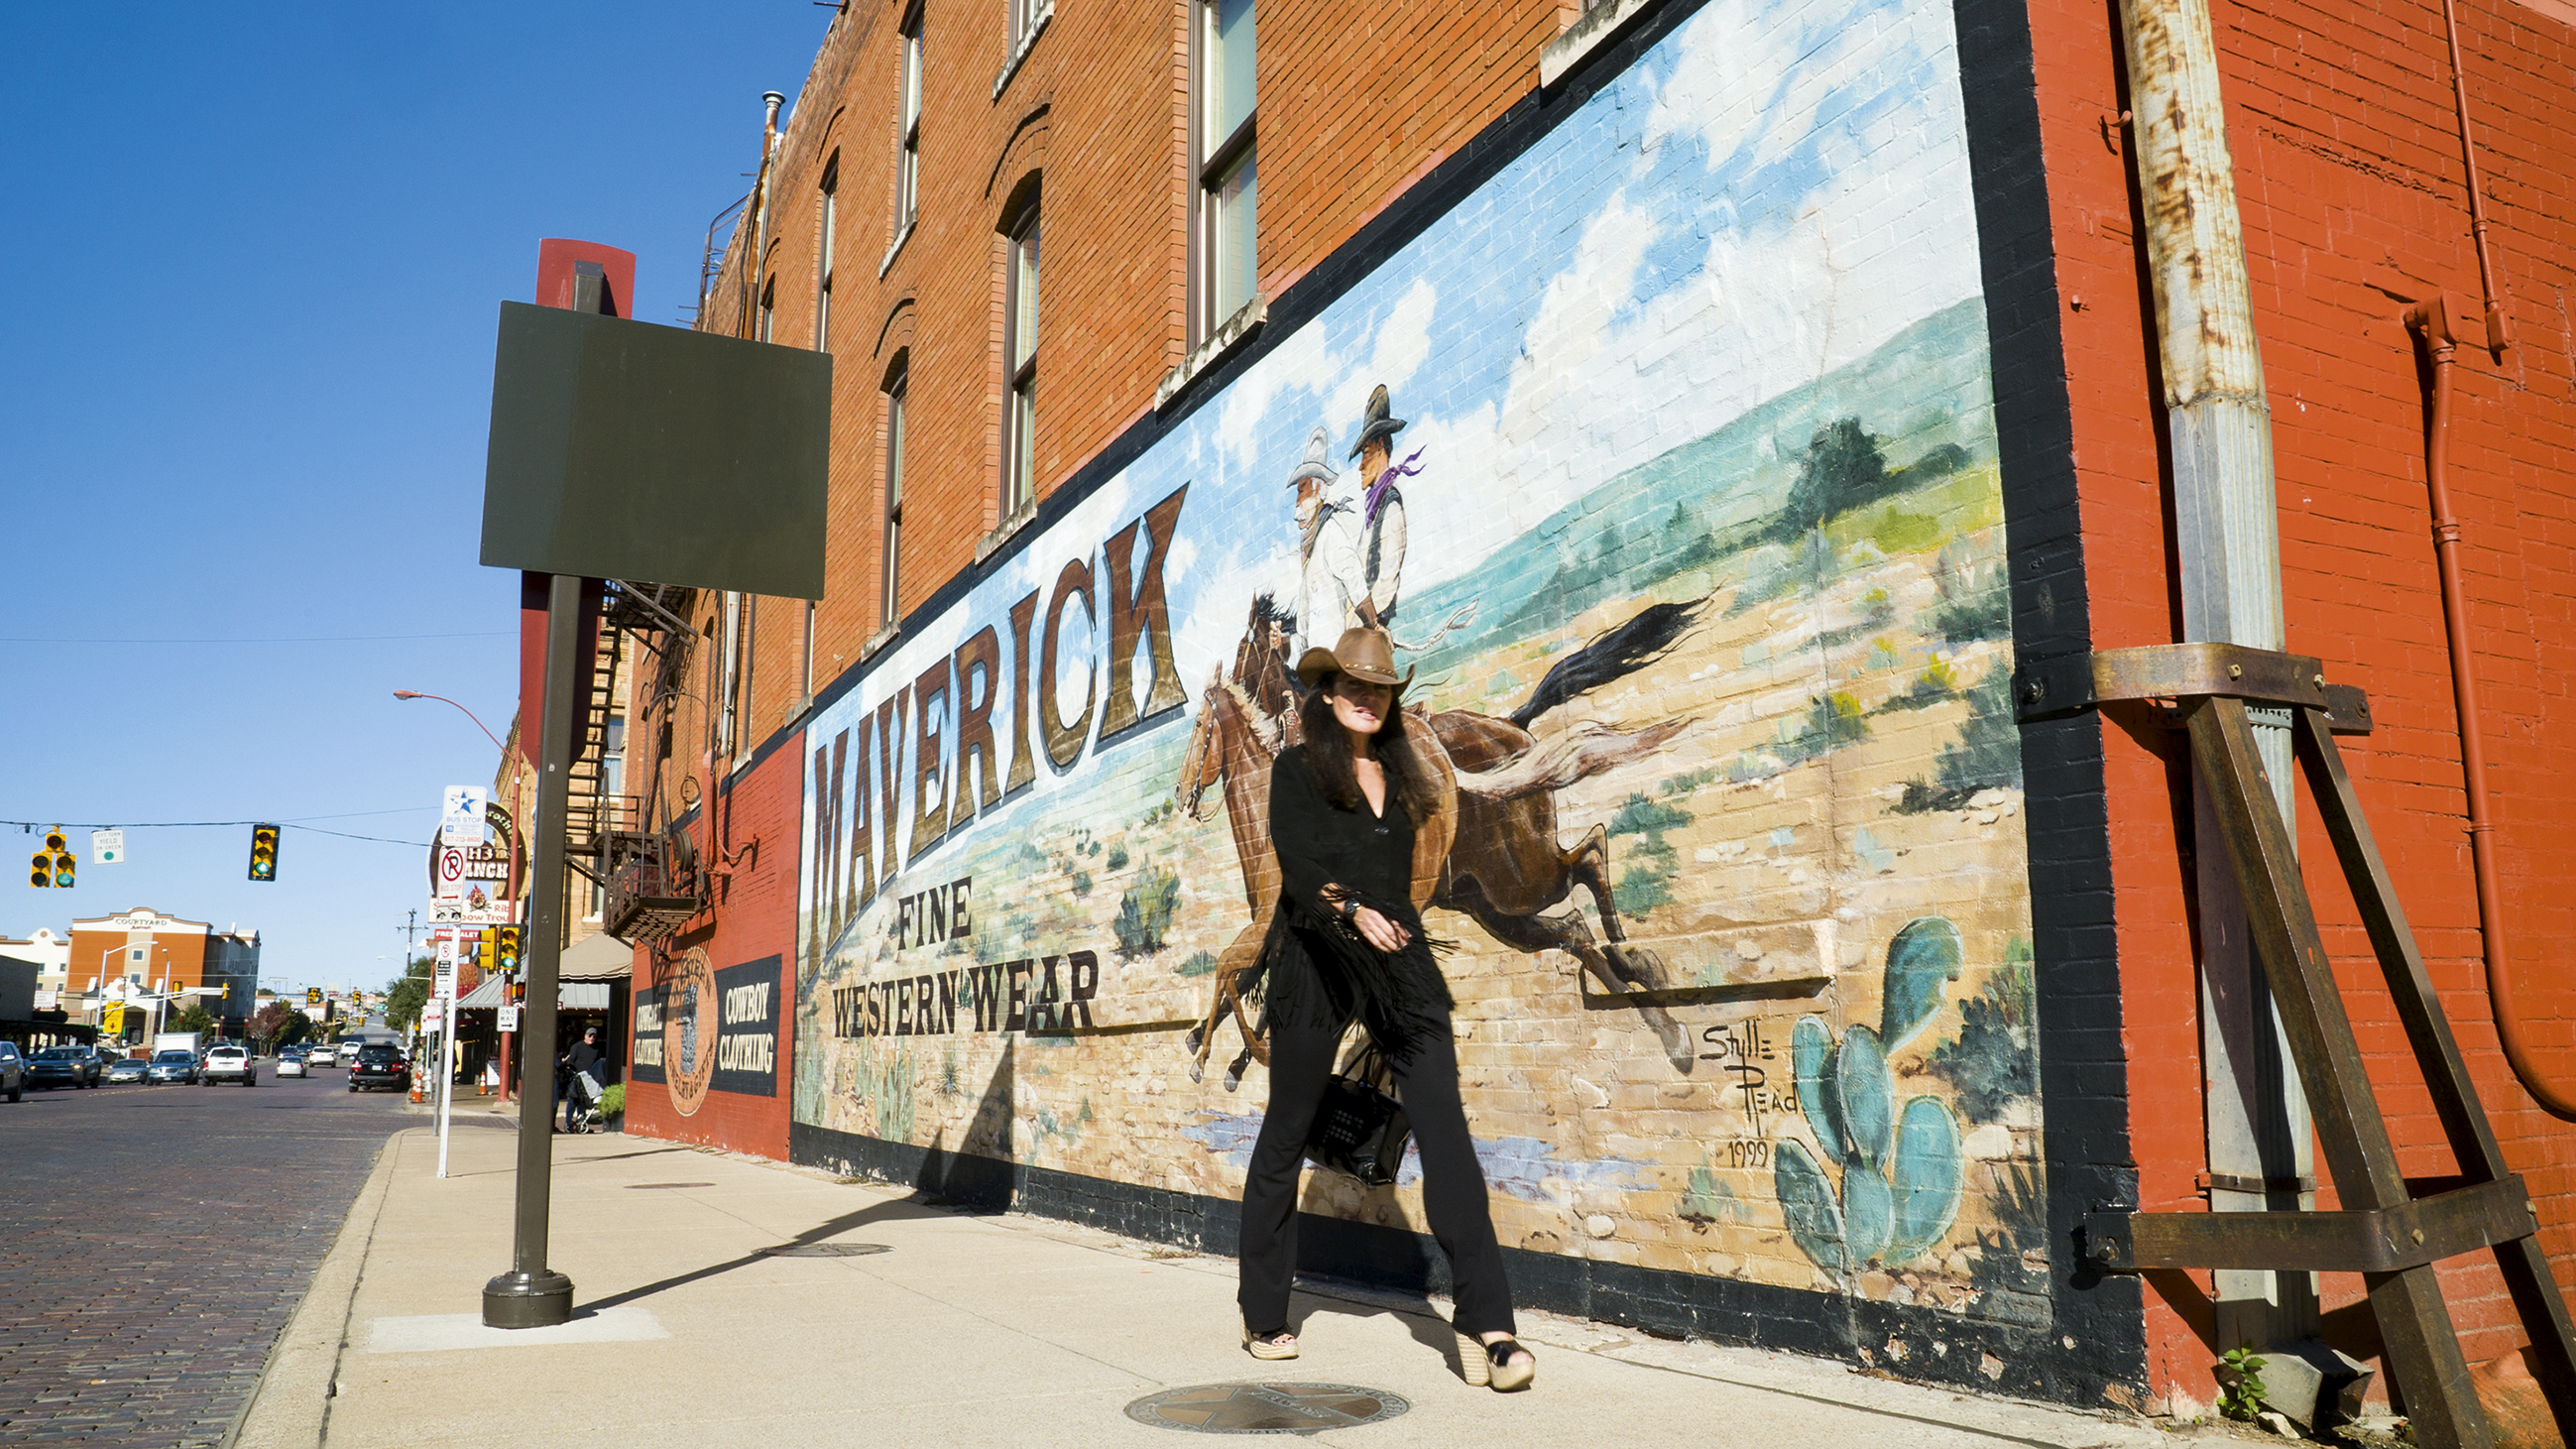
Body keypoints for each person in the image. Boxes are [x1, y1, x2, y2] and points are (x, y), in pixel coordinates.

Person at [1233, 626, 1536, 1392]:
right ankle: (1263, 1309)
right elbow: (1296, 858)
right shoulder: (1298, 769)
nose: (1367, 697)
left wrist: (1387, 916)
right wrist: (1349, 905)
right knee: (1288, 1128)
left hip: (1396, 956)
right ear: (1330, 693)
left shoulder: (1403, 778)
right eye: (1354, 685)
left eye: (1380, 688)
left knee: (1445, 1126)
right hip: (1316, 955)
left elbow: (1405, 876)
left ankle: (1488, 1324)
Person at [559, 1026, 605, 1133]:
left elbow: (598, 1063)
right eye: (590, 1035)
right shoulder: (577, 1047)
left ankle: (581, 1121)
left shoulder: (596, 1049)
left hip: (589, 1079)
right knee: (573, 1100)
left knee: (584, 1101)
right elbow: (571, 1060)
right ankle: (568, 1122)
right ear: (585, 1036)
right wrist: (571, 1069)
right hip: (577, 1077)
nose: (592, 1038)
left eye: (594, 1036)